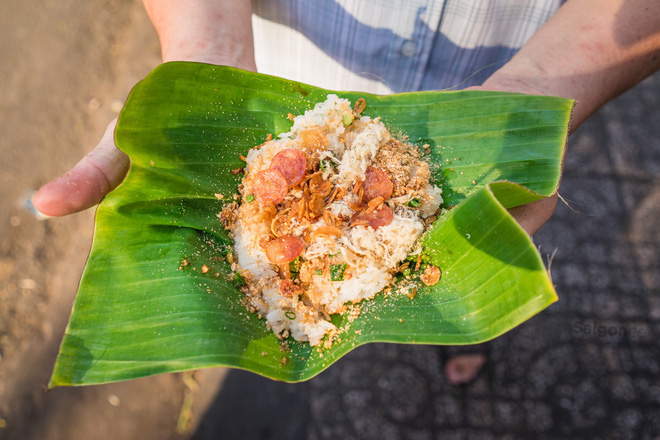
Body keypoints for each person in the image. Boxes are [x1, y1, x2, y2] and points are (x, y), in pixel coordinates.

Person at [31, 0, 660, 384]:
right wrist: (207, 52)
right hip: (281, 78)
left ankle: (470, 342)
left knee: (485, 274)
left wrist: (538, 88)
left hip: (504, 71)